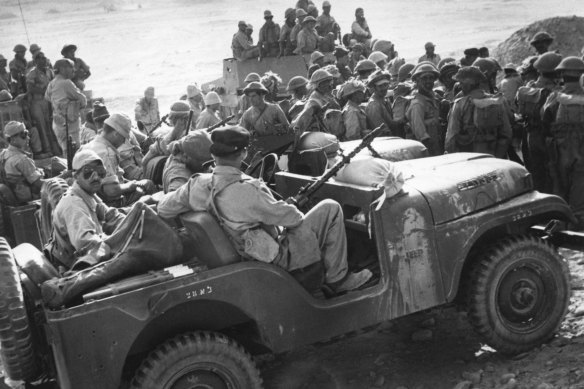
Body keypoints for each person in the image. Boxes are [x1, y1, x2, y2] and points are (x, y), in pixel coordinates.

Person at [157, 126, 372, 293]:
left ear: (213, 156)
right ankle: (338, 279)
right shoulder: (249, 190)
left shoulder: (195, 185)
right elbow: (293, 219)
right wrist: (290, 204)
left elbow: (164, 208)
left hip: (240, 253)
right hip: (273, 260)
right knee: (331, 208)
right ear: (242, 155)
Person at [50, 149, 125, 269]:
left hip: (97, 257)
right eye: (88, 172)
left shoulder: (88, 193)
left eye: (100, 172)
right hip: (81, 267)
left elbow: (111, 216)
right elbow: (86, 242)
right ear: (76, 176)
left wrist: (133, 221)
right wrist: (119, 240)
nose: (95, 177)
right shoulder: (73, 203)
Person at [541, 57, 584, 229]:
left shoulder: (555, 97)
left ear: (561, 75)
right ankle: (576, 221)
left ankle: (563, 219)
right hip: (582, 148)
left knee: (561, 183)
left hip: (560, 148)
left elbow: (544, 118)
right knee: (580, 184)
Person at [82, 113, 155, 206]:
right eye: (124, 138)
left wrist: (129, 183)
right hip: (109, 203)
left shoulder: (89, 146)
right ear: (116, 134)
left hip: (94, 198)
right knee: (149, 186)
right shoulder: (107, 153)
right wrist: (129, 186)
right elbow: (111, 191)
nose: (124, 141)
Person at [516, 52, 562, 193]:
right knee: (554, 172)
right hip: (547, 137)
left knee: (536, 171)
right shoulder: (554, 93)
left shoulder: (525, 90)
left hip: (530, 135)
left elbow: (518, 108)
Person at [445, 66, 512, 158]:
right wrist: (498, 156)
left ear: (469, 84)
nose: (460, 86)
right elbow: (506, 133)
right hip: (493, 155)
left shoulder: (459, 104)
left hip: (469, 158)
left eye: (461, 82)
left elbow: (451, 137)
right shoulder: (497, 100)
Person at [44, 58, 87, 157]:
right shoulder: (66, 82)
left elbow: (47, 97)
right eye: (71, 67)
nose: (73, 70)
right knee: (75, 152)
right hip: (70, 124)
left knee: (66, 151)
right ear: (62, 69)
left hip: (58, 123)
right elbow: (83, 100)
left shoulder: (52, 83)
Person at [0, 121, 44, 204]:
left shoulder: (3, 154)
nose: (28, 138)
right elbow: (39, 184)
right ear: (13, 139)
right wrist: (63, 177)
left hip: (15, 197)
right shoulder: (22, 160)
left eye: (27, 133)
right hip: (30, 200)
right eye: (23, 135)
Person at [406, 62, 443, 156]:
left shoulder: (433, 98)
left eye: (431, 78)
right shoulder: (417, 104)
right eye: (424, 78)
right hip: (426, 149)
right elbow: (421, 134)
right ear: (417, 81)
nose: (428, 81)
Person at [26, 51, 58, 157]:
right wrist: (45, 91)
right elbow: (30, 88)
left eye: (44, 58)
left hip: (49, 100)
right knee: (42, 126)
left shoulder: (50, 71)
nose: (43, 60)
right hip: (37, 101)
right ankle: (47, 149)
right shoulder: (32, 73)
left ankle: (55, 148)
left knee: (52, 123)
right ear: (35, 61)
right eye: (39, 58)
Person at [365, 70, 405, 137]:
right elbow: (382, 131)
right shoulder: (374, 105)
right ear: (374, 88)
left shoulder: (385, 100)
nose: (384, 88)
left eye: (386, 85)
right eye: (380, 86)